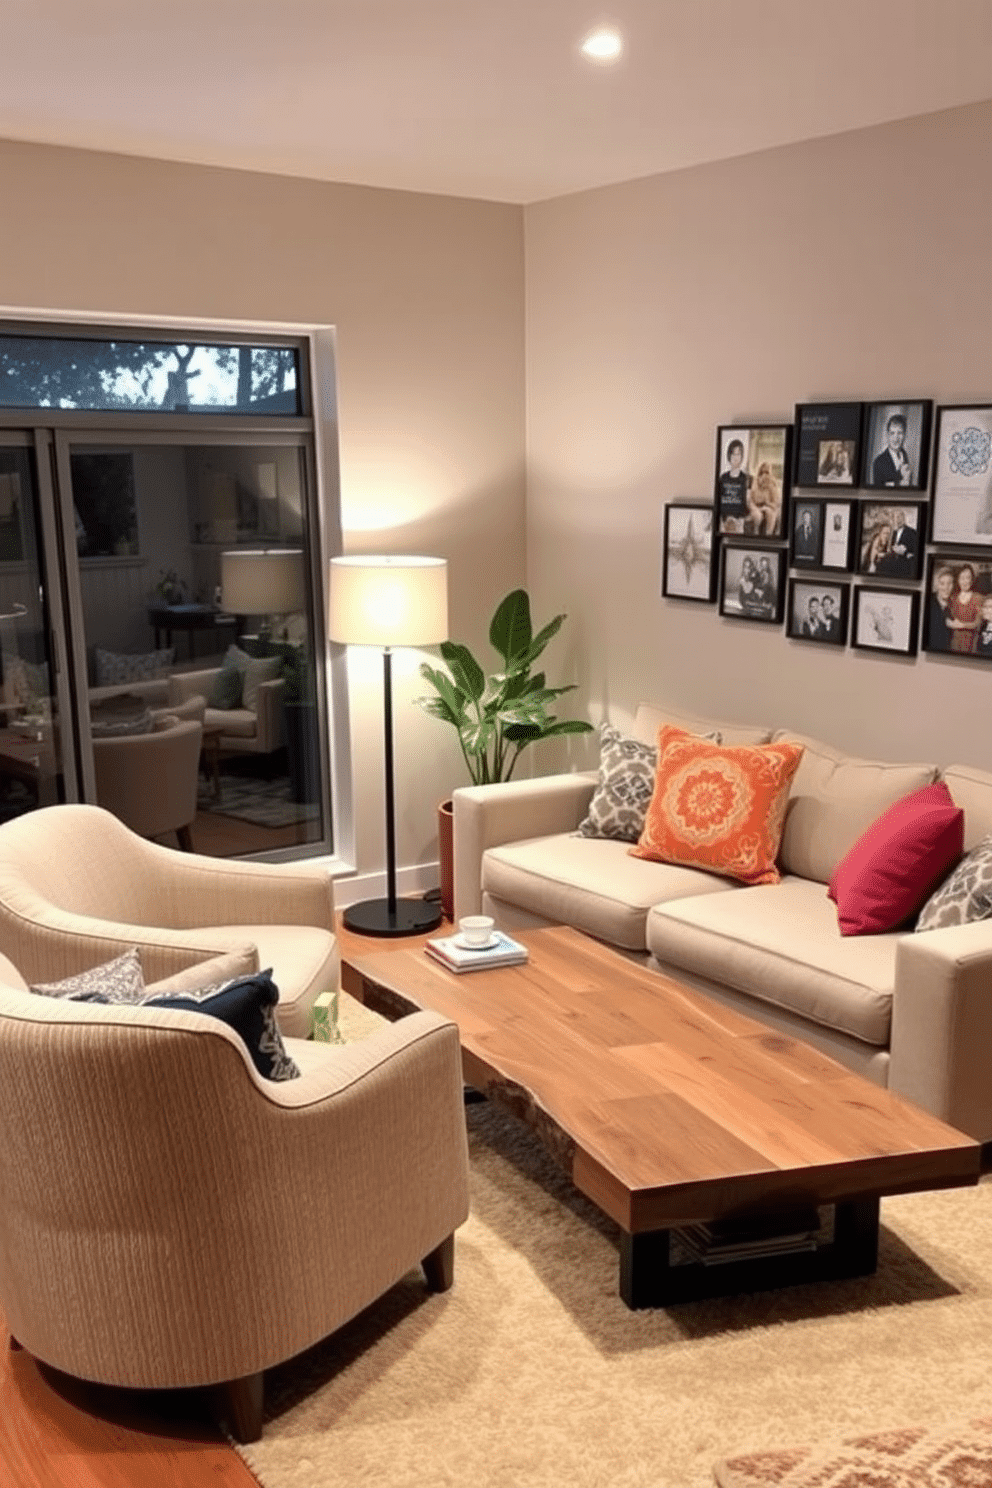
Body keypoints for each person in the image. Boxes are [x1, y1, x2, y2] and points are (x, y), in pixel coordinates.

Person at [948, 563, 982, 653]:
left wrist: (963, 625)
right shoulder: (953, 598)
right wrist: (950, 623)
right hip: (955, 642)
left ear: (972, 580)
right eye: (962, 578)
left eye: (968, 577)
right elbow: (948, 620)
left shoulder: (978, 598)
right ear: (958, 580)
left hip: (971, 642)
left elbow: (978, 623)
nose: (965, 581)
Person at [871, 413, 913, 488]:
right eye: (892, 433)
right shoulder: (878, 462)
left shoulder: (904, 454)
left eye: (900, 433)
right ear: (887, 435)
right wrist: (900, 478)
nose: (896, 438)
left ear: (905, 435)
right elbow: (878, 490)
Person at [718, 438, 751, 533]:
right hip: (724, 521)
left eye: (738, 454)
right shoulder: (723, 478)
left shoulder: (746, 478)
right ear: (729, 455)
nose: (736, 457)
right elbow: (719, 500)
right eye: (733, 454)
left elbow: (747, 502)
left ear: (742, 456)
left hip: (739, 521)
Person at [745, 462, 781, 536]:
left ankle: (769, 535)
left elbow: (776, 503)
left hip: (770, 507)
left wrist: (767, 503)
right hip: (756, 506)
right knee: (758, 516)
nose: (764, 475)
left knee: (770, 513)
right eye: (762, 473)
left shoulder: (773, 484)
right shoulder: (755, 482)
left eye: (767, 473)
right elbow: (754, 499)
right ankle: (756, 533)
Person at [927, 566, 955, 651]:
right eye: (942, 583)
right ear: (937, 585)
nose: (946, 588)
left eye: (949, 583)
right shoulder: (928, 601)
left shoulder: (954, 605)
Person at [884, 508, 918, 576]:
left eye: (901, 516)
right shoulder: (893, 533)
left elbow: (916, 551)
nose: (899, 519)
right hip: (893, 568)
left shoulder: (912, 532)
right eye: (896, 517)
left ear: (904, 518)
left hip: (906, 568)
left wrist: (905, 552)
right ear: (893, 519)